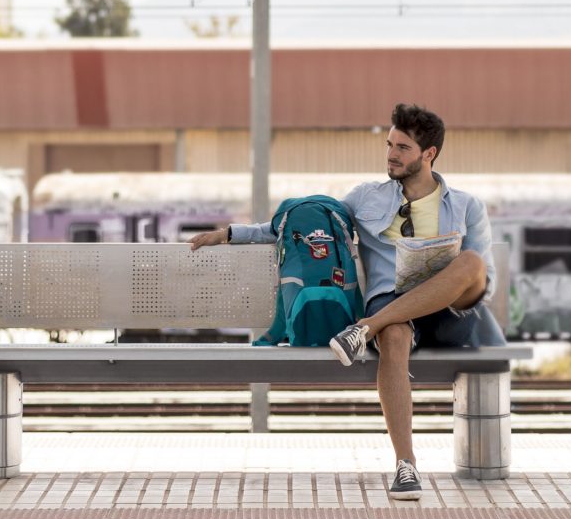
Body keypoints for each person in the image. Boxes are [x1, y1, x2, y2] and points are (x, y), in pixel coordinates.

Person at [190, 101, 501, 499]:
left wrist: (439, 271)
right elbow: (301, 222)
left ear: (429, 154)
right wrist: (231, 234)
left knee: (470, 261)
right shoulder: (366, 198)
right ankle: (406, 466)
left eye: (402, 148)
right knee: (393, 338)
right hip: (391, 305)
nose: (391, 154)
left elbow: (482, 279)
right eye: (389, 144)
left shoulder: (466, 206)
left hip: (452, 308)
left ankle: (362, 329)